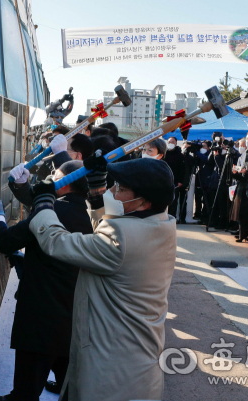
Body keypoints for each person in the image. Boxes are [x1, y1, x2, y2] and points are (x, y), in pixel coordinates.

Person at [25, 156, 176, 401]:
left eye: (121, 189)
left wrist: (43, 205)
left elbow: (57, 242)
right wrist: (96, 195)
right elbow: (109, 233)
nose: (112, 191)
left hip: (112, 369)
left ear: (144, 202)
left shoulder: (121, 238)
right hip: (136, 362)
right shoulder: (160, 223)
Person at [0, 161, 94, 401]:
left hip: (39, 317)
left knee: (26, 388)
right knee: (69, 384)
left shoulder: (55, 211)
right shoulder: (81, 213)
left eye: (55, 176)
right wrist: (21, 185)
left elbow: (6, 240)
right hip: (70, 315)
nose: (49, 181)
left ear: (65, 184)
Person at [164, 137, 186, 221]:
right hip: (165, 180)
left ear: (176, 143)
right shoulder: (164, 154)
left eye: (172, 142)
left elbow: (182, 169)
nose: (170, 143)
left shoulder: (180, 155)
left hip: (175, 181)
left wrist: (180, 181)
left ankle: (172, 218)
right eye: (169, 141)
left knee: (173, 201)